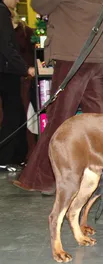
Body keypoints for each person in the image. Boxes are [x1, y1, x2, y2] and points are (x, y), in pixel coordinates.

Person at [13, 0, 103, 194]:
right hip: (98, 54)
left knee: (59, 119)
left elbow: (40, 5)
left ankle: (42, 178)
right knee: (96, 123)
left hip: (73, 55)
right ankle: (100, 177)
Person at [0, 0, 35, 169]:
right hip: (6, 71)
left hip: (7, 70)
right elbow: (6, 47)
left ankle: (15, 157)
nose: (17, 0)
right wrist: (25, 68)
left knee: (16, 114)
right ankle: (6, 159)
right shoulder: (1, 12)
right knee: (13, 115)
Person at [11, 8, 37, 162]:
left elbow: (33, 53)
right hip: (13, 79)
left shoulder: (26, 32)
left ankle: (26, 154)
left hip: (26, 79)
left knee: (26, 116)